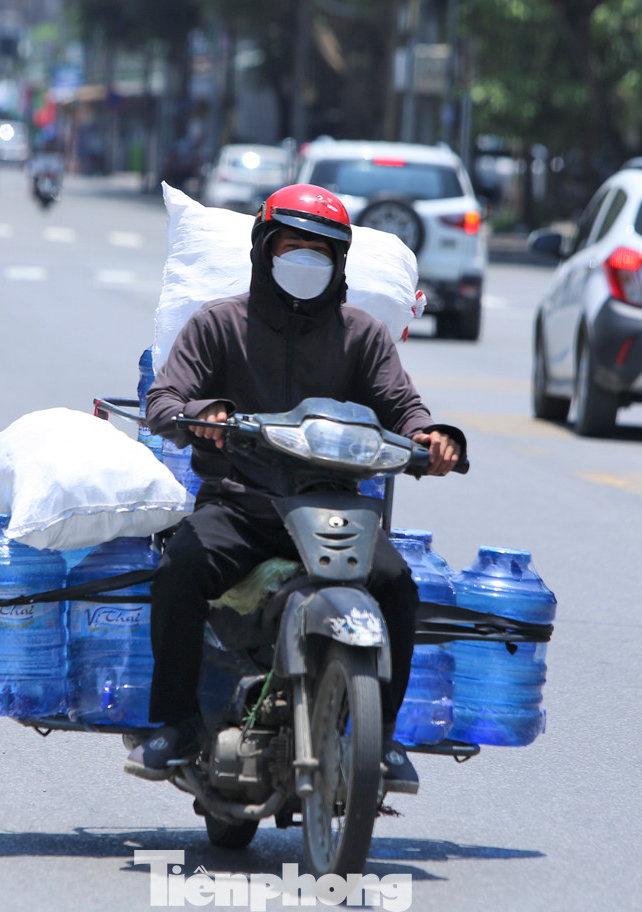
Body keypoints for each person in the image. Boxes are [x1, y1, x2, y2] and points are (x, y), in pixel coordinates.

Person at [128, 184, 466, 794]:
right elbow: (163, 399)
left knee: (396, 586)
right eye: (294, 244)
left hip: (334, 509)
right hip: (239, 505)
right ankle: (175, 724)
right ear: (265, 249)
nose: (306, 257)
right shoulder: (218, 324)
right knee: (179, 571)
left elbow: (402, 406)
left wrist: (433, 437)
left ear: (340, 264)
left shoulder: (361, 336)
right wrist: (205, 413)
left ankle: (380, 741)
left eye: (322, 248)